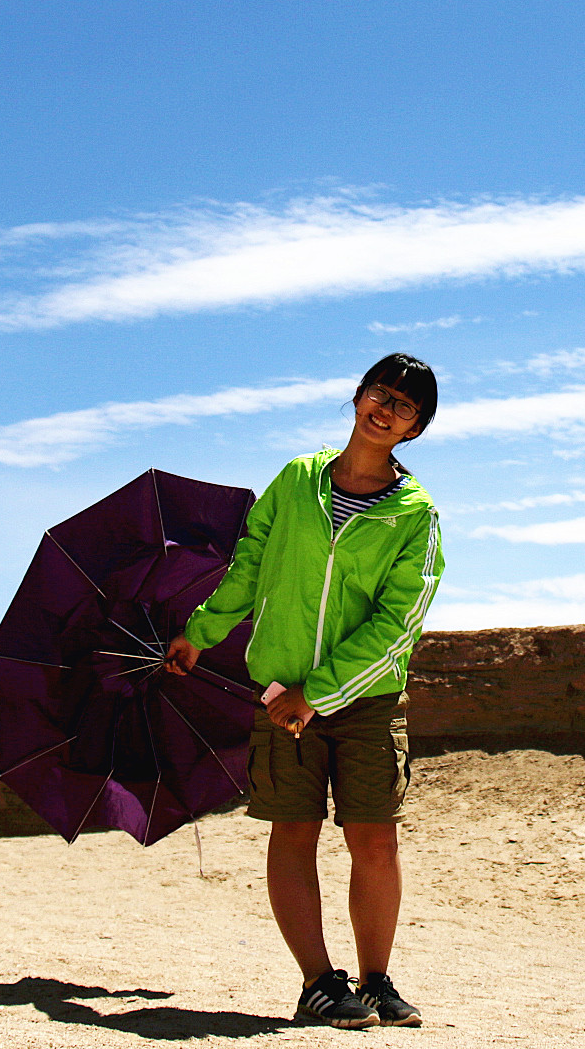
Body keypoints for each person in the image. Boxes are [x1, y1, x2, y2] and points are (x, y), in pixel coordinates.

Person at [164, 353, 442, 1029]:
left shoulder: (415, 513)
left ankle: (376, 981)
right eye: (380, 392)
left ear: (416, 427)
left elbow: (399, 621)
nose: (387, 409)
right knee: (294, 831)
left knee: (374, 840)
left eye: (404, 405)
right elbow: (250, 561)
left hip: (365, 700)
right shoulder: (296, 481)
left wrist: (318, 693)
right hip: (280, 690)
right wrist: (203, 630)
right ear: (357, 398)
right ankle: (319, 983)